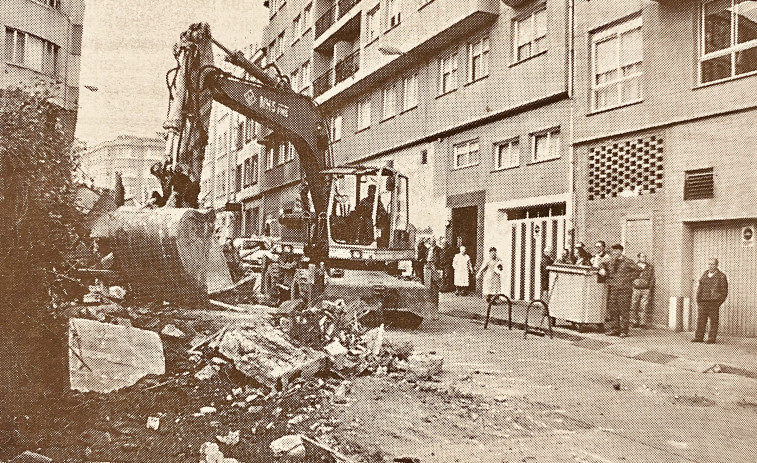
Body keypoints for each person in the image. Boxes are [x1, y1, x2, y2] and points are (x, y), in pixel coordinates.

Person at [601, 244, 639, 337]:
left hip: (624, 290)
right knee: (613, 310)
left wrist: (628, 278)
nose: (614, 252)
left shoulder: (627, 261)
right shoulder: (611, 261)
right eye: (613, 251)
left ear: (621, 251)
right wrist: (602, 269)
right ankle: (615, 329)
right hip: (613, 288)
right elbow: (602, 263)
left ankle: (624, 331)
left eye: (616, 251)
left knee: (624, 310)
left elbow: (638, 270)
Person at [692, 258, 728, 344]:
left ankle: (711, 339)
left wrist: (717, 303)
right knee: (701, 320)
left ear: (716, 265)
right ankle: (699, 337)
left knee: (713, 321)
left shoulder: (721, 276)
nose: (710, 266)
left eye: (712, 264)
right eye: (709, 264)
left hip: (713, 303)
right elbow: (699, 288)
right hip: (703, 302)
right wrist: (698, 300)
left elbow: (724, 292)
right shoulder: (704, 274)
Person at [630, 253, 655, 328]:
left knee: (644, 306)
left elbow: (652, 278)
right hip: (636, 289)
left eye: (645, 256)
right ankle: (634, 321)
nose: (644, 258)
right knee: (634, 305)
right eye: (642, 257)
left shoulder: (649, 267)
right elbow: (630, 276)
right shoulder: (634, 266)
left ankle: (642, 323)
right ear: (638, 258)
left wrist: (649, 289)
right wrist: (632, 285)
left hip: (645, 289)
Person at [424, 237, 443, 309]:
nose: (432, 242)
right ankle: (429, 305)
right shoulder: (428, 249)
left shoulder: (438, 249)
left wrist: (439, 268)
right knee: (428, 286)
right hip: (428, 266)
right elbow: (426, 256)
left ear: (435, 242)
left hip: (435, 266)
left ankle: (435, 306)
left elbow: (441, 259)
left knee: (435, 285)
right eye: (431, 241)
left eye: (433, 241)